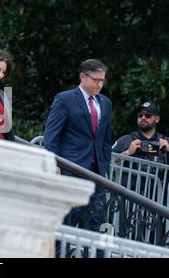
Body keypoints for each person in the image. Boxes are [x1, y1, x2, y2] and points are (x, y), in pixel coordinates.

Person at [44, 59, 112, 232]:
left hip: (97, 170)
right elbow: (51, 135)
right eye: (96, 80)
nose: (99, 84)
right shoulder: (65, 99)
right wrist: (54, 162)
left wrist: (105, 165)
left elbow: (105, 138)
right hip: (71, 167)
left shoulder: (105, 102)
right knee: (68, 218)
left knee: (95, 219)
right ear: (83, 77)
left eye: (102, 80)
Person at [112, 102, 169, 167]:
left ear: (157, 119)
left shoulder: (167, 142)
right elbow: (109, 162)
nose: (143, 118)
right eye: (140, 115)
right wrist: (128, 152)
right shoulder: (125, 140)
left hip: (159, 180)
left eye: (148, 115)